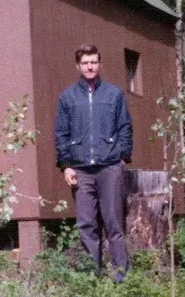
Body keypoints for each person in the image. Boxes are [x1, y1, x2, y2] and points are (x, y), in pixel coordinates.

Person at [54, 44, 133, 282]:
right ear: (78, 66)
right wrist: (66, 165)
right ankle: (92, 277)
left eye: (94, 62)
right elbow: (61, 133)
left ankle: (121, 277)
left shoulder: (113, 94)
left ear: (99, 64)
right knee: (87, 224)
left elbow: (125, 127)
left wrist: (122, 157)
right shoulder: (67, 97)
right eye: (85, 62)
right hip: (81, 170)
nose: (90, 66)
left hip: (109, 167)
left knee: (114, 223)